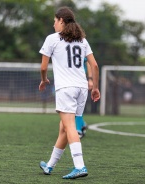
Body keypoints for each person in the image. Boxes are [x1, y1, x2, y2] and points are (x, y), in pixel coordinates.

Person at [38, 6, 100, 179]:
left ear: (61, 21)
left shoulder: (52, 39)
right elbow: (94, 65)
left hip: (66, 88)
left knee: (70, 126)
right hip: (81, 89)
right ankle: (49, 166)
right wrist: (95, 87)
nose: (53, 24)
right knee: (64, 129)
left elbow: (43, 67)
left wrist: (43, 80)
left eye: (55, 21)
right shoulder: (82, 40)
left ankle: (79, 166)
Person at [76, 58, 93, 138]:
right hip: (66, 80)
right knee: (67, 109)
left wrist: (90, 79)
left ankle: (78, 130)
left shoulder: (83, 45)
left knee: (78, 107)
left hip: (80, 80)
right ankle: (82, 124)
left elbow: (89, 61)